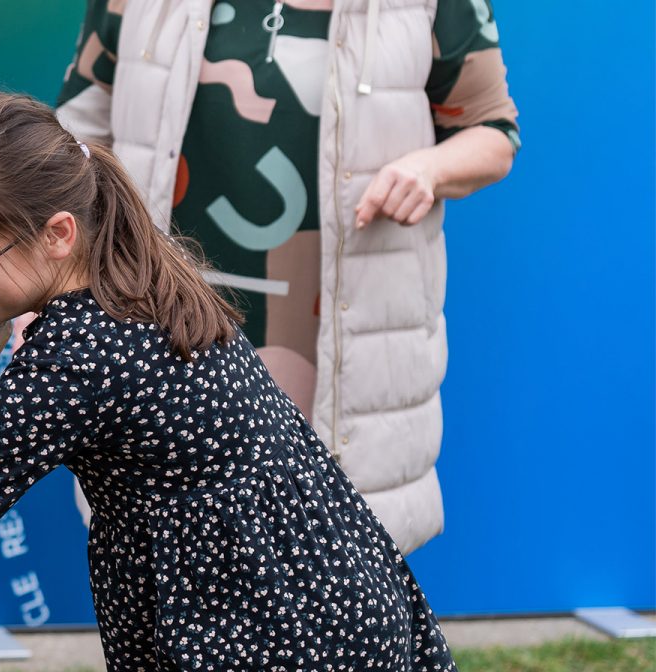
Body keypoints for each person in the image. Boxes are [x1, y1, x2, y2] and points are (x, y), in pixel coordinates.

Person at [0, 92, 455, 671]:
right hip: (332, 584)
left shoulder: (73, 360)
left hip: (266, 629)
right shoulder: (131, 263)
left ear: (57, 232)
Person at [54, 0, 520, 552]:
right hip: (166, 325)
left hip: (342, 342)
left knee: (332, 572)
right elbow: (72, 140)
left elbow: (492, 130)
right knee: (172, 557)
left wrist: (427, 169)